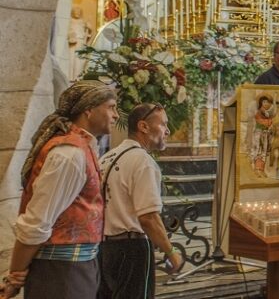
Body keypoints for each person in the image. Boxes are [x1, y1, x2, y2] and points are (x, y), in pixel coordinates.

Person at [2, 80, 118, 299]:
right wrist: (15, 276)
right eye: (111, 107)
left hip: (76, 267)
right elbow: (36, 222)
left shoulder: (82, 148)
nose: (116, 115)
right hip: (60, 271)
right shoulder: (68, 154)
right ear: (89, 109)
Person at [98, 103, 184, 299]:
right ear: (143, 126)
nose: (168, 131)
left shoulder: (106, 157)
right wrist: (171, 252)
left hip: (104, 248)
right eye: (163, 124)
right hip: (132, 249)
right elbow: (148, 218)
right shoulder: (142, 161)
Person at [251, 95, 275, 176]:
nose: (265, 104)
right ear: (261, 103)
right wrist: (268, 124)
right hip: (259, 134)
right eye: (264, 102)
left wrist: (270, 126)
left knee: (264, 152)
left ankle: (262, 169)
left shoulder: (268, 113)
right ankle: (256, 169)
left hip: (266, 134)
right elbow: (261, 121)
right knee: (258, 150)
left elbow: (270, 123)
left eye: (267, 102)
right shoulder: (259, 112)